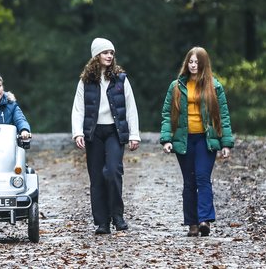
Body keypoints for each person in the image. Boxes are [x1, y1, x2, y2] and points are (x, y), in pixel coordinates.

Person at [159, 46, 234, 237]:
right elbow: (167, 114)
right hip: (184, 139)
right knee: (189, 182)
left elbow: (223, 116)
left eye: (197, 63)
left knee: (203, 178)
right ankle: (192, 223)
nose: (193, 66)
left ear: (204, 65)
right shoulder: (176, 86)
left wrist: (225, 143)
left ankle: (204, 220)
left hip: (205, 139)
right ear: (187, 63)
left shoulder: (214, 87)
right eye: (191, 62)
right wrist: (166, 139)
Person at [71, 37, 141, 235]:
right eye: (105, 52)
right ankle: (102, 222)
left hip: (114, 131)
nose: (109, 56)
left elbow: (131, 108)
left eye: (111, 53)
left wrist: (134, 134)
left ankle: (117, 216)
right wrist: (77, 133)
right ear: (96, 55)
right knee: (96, 178)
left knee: (112, 172)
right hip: (94, 133)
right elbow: (78, 109)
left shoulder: (120, 79)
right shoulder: (85, 81)